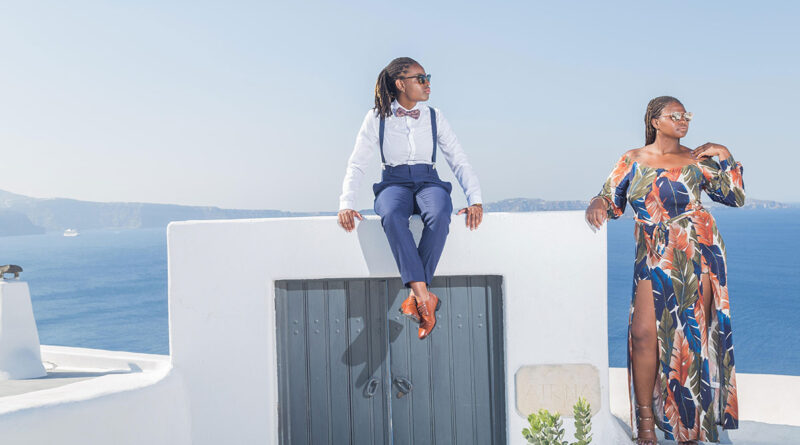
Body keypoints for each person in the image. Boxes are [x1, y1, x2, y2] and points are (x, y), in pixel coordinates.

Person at [585, 96, 744, 445]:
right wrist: (598, 202)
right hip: (652, 253)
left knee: (689, 341)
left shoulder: (695, 159)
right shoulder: (632, 159)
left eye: (686, 115)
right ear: (655, 121)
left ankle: (690, 427)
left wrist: (725, 153)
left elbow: (734, 196)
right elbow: (611, 197)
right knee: (643, 335)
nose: (683, 120)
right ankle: (645, 421)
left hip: (697, 249)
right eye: (675, 115)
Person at [338, 57, 483, 340]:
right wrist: (346, 203)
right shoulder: (376, 118)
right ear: (400, 84)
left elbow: (458, 160)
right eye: (420, 78)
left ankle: (418, 299)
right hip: (393, 182)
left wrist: (475, 199)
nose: (427, 84)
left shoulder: (434, 116)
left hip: (428, 180)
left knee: (440, 214)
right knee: (391, 215)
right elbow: (357, 164)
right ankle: (424, 297)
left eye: (427, 77)